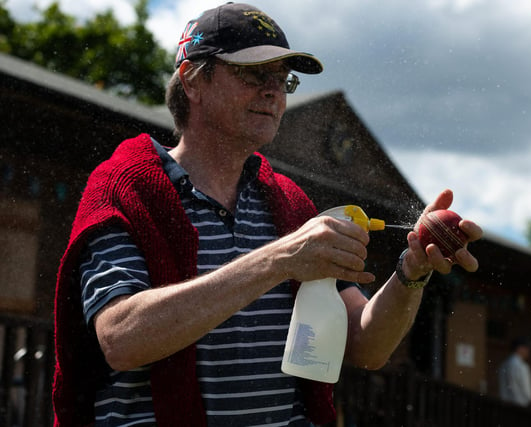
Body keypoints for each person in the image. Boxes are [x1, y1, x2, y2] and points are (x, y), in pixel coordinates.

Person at [52, 3, 483, 426]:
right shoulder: (127, 187)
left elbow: (366, 347)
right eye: (255, 73)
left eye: (283, 80)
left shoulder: (290, 205)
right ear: (192, 81)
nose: (273, 91)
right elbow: (122, 340)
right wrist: (279, 259)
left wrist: (411, 272)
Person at [498, 337, 531, 407]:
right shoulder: (522, 366)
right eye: (527, 348)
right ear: (520, 348)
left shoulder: (504, 365)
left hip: (505, 406)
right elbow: (527, 391)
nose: (528, 351)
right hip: (522, 407)